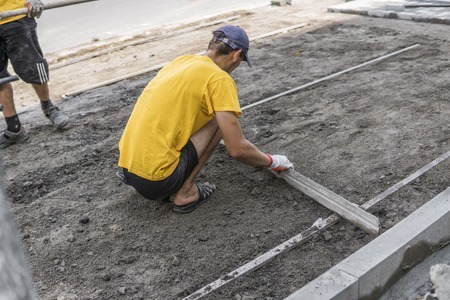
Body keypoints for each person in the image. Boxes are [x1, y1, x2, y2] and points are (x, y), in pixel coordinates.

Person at [117, 25, 293, 213]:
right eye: (240, 60)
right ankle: (186, 193)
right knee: (219, 120)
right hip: (156, 181)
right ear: (236, 55)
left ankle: (149, 171)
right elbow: (237, 149)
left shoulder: (182, 61)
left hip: (128, 166)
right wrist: (273, 162)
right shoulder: (219, 79)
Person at [0, 0, 69, 149]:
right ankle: (14, 128)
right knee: (0, 78)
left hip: (15, 16)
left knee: (33, 67)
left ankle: (48, 107)